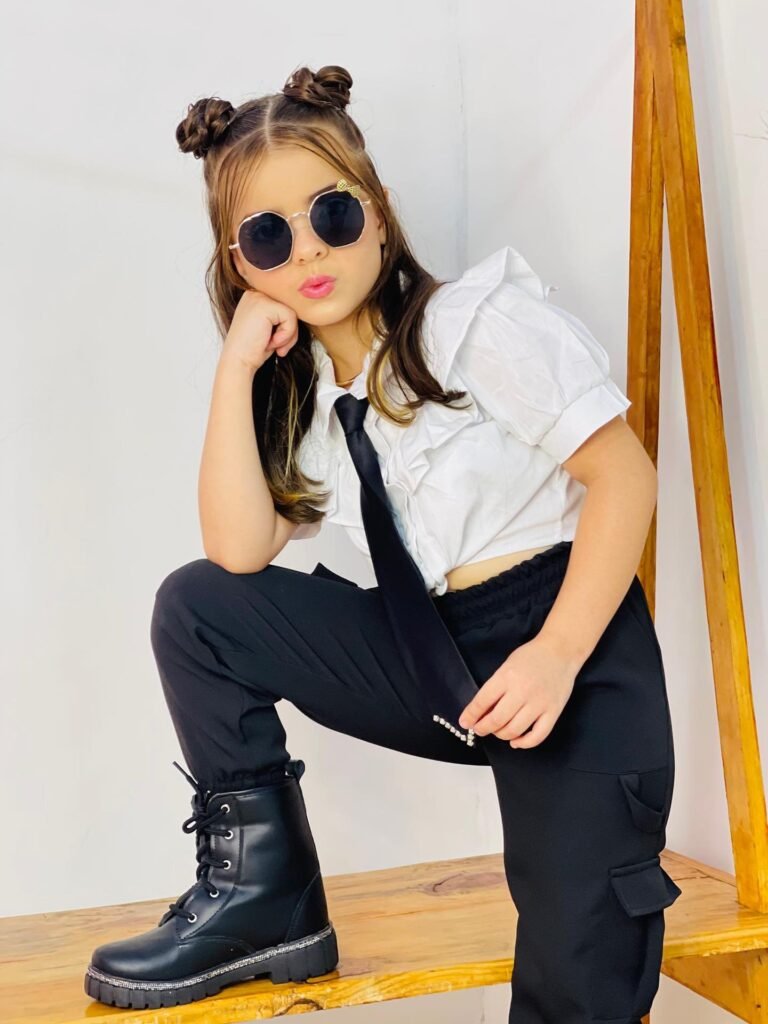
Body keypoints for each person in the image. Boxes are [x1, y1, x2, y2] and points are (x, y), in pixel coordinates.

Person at [84, 64, 681, 1021]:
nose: (308, 252)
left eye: (331, 214)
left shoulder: (474, 326)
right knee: (198, 609)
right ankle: (263, 899)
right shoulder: (313, 399)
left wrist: (558, 654)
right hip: (433, 660)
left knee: (577, 963)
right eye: (269, 237)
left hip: (571, 655)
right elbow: (237, 552)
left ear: (378, 209)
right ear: (240, 265)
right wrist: (236, 367)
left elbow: (625, 477)